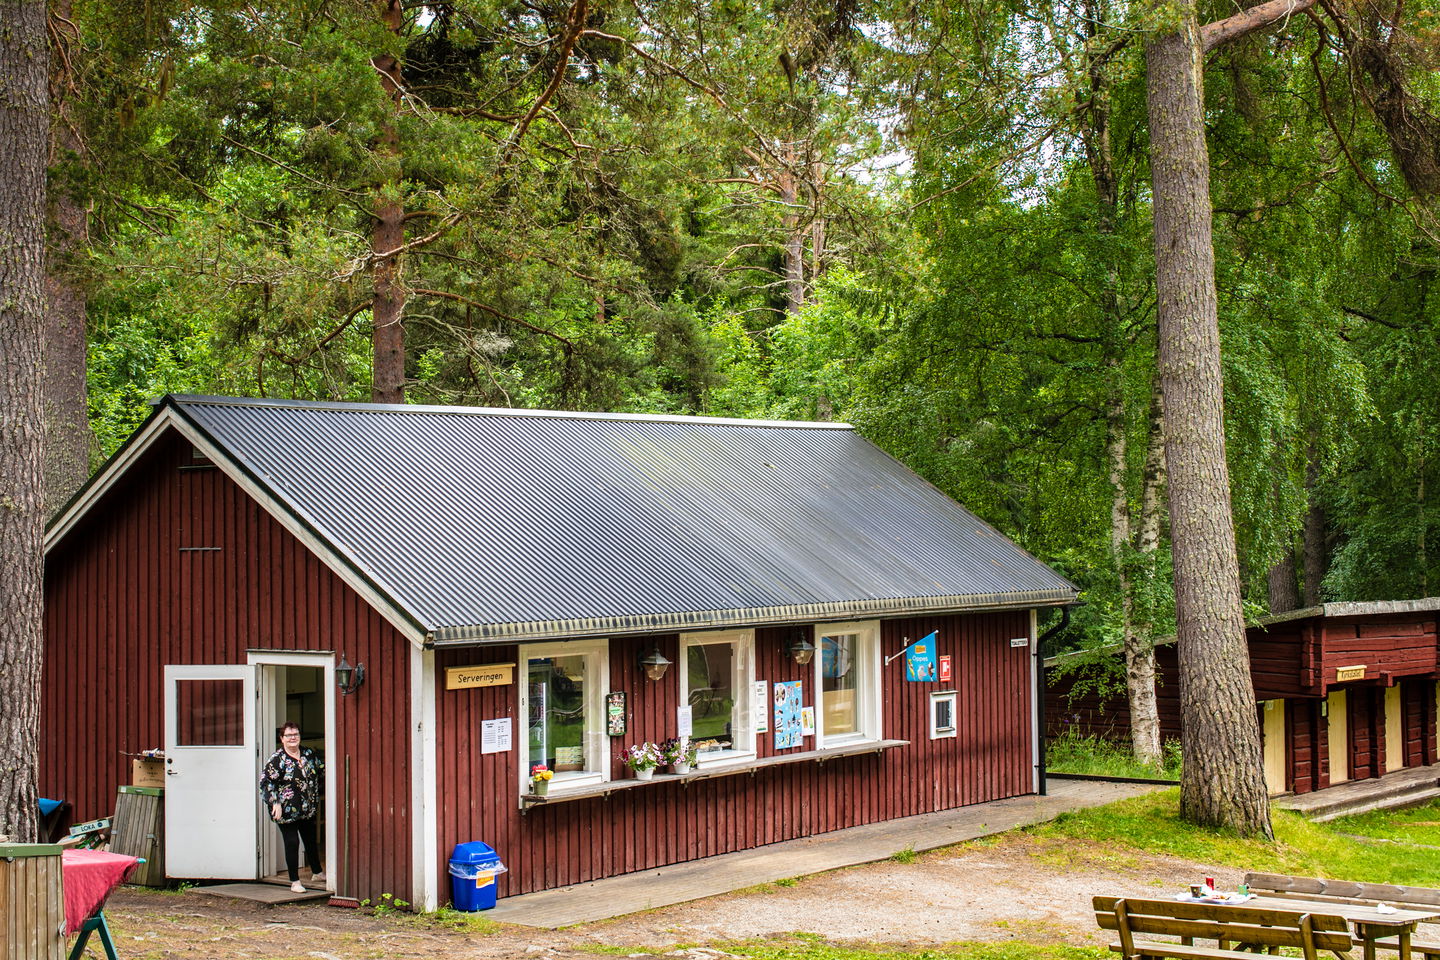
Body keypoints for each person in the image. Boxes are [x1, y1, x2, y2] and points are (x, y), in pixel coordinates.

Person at [259, 721, 325, 892]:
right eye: (289, 735)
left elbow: (322, 770)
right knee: (292, 842)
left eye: (295, 734)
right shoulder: (277, 759)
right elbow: (266, 783)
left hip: (306, 808)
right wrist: (275, 803)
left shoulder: (308, 754)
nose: (293, 738)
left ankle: (317, 872)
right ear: (282, 738)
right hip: (285, 810)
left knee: (310, 840)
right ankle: (295, 881)